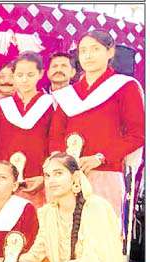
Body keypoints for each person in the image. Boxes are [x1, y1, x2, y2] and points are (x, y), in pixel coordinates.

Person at [50, 30, 144, 219]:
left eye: (95, 49)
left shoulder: (125, 87)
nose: (88, 55)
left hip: (106, 173)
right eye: (83, 50)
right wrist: (62, 165)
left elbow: (137, 134)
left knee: (102, 232)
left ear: (110, 52)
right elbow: (55, 135)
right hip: (69, 177)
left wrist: (101, 157)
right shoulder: (69, 94)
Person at [0, 52, 54, 207]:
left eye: (30, 75)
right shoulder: (3, 106)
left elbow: (54, 141)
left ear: (40, 74)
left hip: (37, 180)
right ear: (13, 76)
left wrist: (45, 175)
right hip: (5, 182)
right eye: (20, 75)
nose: (24, 79)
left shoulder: (49, 104)